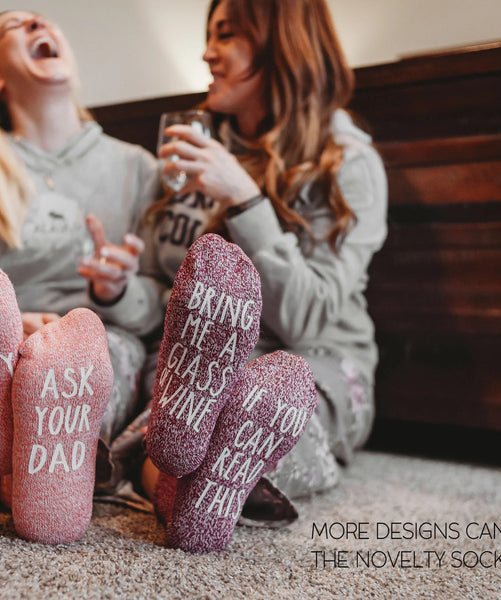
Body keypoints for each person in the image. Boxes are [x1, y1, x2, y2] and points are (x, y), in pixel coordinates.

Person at [128, 0, 388, 504]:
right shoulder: (193, 155)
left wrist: (246, 199)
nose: (207, 54)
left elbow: (305, 319)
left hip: (315, 360)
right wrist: (116, 289)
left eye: (226, 35)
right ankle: (186, 480)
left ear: (281, 45)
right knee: (174, 412)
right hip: (204, 365)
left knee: (263, 417)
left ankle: (186, 482)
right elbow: (168, 294)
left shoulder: (349, 167)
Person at [0, 10, 162, 503]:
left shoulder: (139, 170)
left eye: (44, 22)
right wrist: (10, 324)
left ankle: (23, 468)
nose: (38, 27)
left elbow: (163, 305)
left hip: (100, 331)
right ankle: (17, 465)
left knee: (104, 356)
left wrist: (120, 289)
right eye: (17, 26)